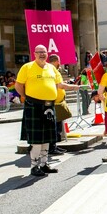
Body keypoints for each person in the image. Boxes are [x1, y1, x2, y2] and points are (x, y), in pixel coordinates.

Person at [15, 45, 80, 176]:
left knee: (46, 139)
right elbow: (18, 85)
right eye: (39, 52)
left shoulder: (51, 68)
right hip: (34, 105)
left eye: (44, 52)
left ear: (47, 53)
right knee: (36, 139)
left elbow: (59, 85)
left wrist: (74, 87)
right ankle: (34, 166)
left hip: (49, 106)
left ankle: (44, 164)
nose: (42, 54)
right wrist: (27, 98)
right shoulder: (27, 67)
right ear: (34, 54)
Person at [48, 54, 69, 155]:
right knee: (54, 126)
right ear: (56, 61)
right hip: (54, 102)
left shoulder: (54, 70)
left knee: (57, 125)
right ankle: (52, 147)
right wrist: (73, 87)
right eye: (59, 61)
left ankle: (54, 146)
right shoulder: (51, 70)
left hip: (58, 102)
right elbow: (59, 85)